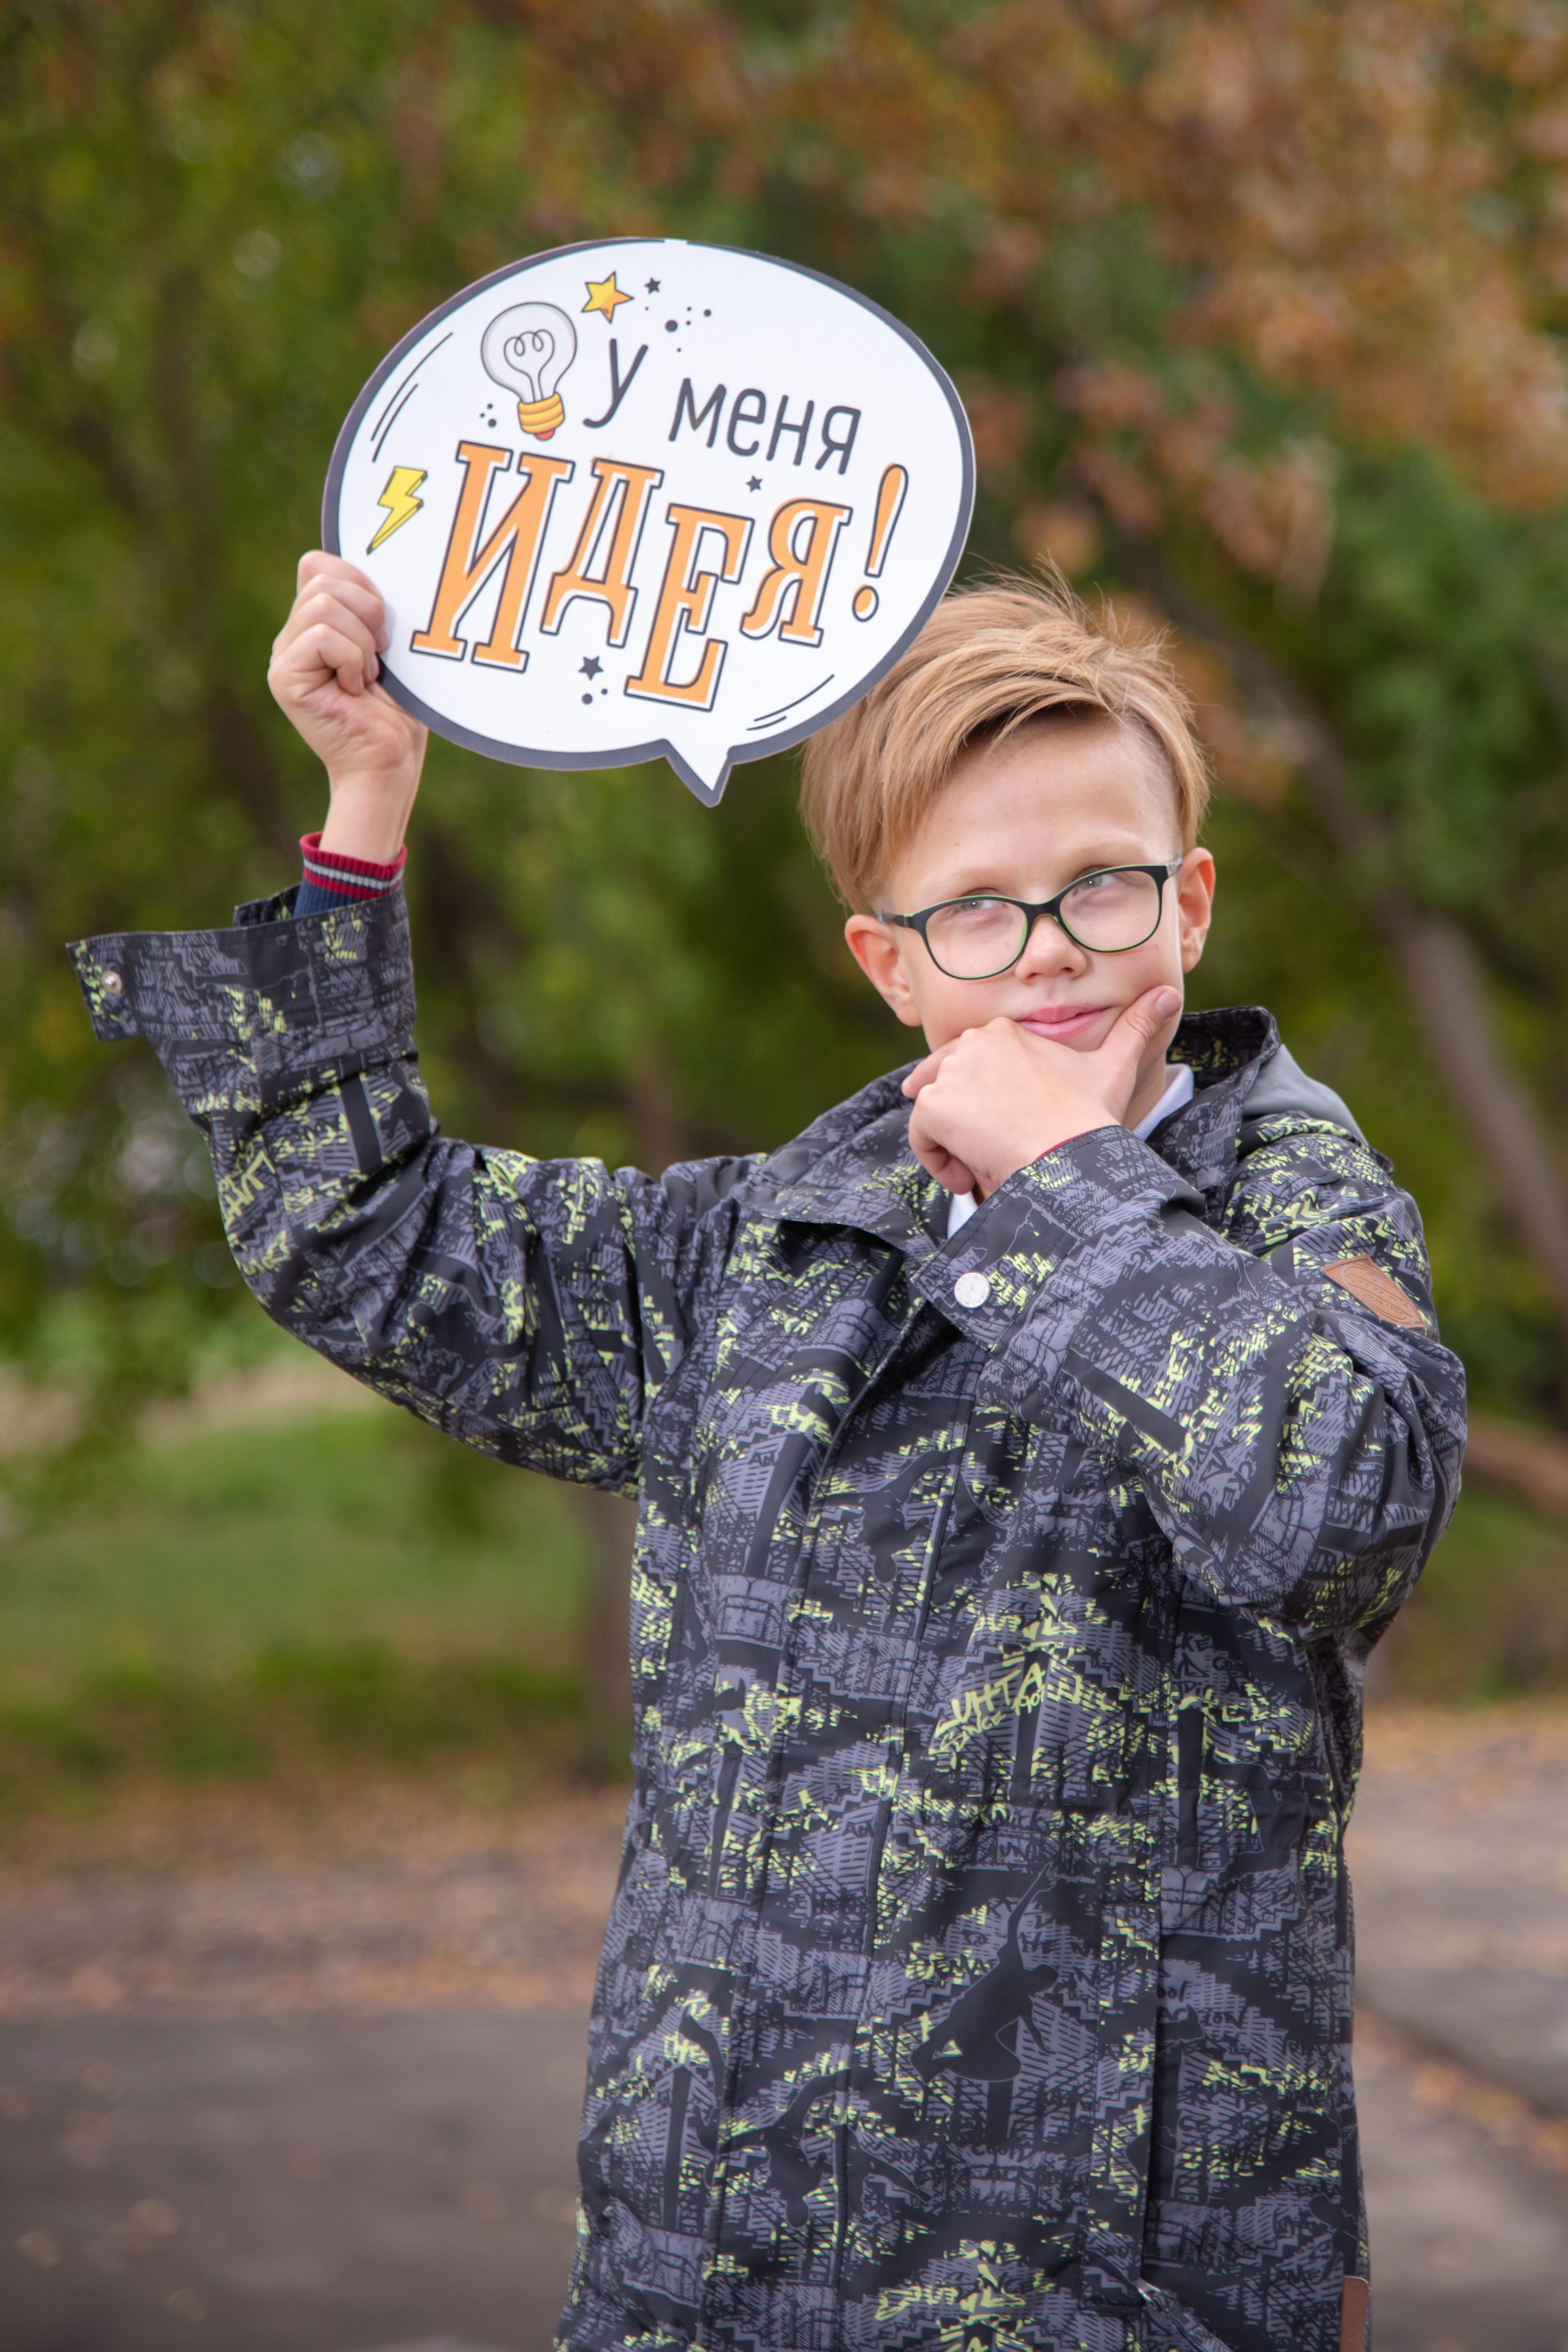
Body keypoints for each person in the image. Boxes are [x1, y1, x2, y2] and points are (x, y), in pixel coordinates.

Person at [71, 554, 1464, 2352]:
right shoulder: (764, 1248)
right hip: (709, 2269)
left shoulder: (1299, 1208)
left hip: (1111, 2290)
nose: (1047, 950)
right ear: (886, 964)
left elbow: (1342, 1511)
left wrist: (1066, 1184)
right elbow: (367, 1240)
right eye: (976, 911)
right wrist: (364, 803)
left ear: (1188, 904)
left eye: (1100, 889)